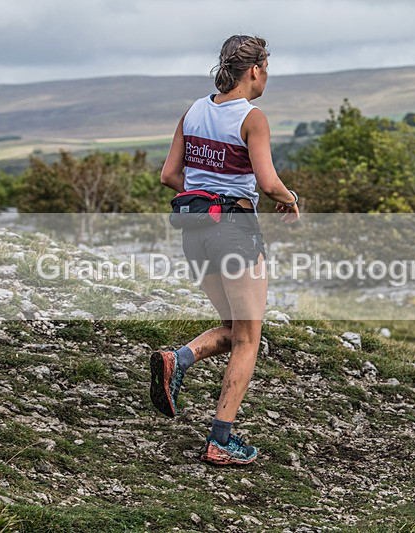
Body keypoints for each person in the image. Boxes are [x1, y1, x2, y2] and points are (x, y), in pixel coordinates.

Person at [151, 35, 300, 466]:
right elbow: (268, 182)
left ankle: (176, 359)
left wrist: (205, 194)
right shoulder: (252, 118)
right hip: (234, 231)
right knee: (249, 338)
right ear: (254, 70)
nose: (267, 75)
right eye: (266, 67)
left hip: (194, 232)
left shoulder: (193, 111)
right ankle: (220, 440)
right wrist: (289, 199)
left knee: (235, 328)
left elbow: (169, 175)